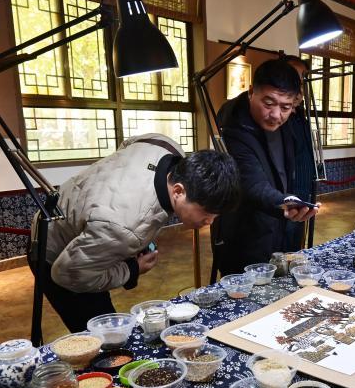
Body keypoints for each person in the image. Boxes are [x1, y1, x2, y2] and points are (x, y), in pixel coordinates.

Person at [31, 134, 240, 332]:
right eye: (207, 213)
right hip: (53, 246)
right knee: (101, 335)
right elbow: (65, 274)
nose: (210, 222)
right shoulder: (125, 228)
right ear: (178, 191)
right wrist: (131, 269)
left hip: (93, 228)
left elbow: (126, 147)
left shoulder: (163, 145)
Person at [213, 59, 320, 275]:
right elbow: (251, 184)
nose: (276, 115)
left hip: (280, 231)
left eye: (285, 107)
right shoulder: (234, 125)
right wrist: (285, 203)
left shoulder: (290, 121)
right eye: (268, 103)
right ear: (252, 91)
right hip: (245, 235)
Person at [282, 54, 316, 250]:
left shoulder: (300, 118)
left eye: (302, 82)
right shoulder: (278, 121)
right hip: (285, 200)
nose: (300, 89)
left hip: (302, 196)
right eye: (294, 81)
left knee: (295, 250)